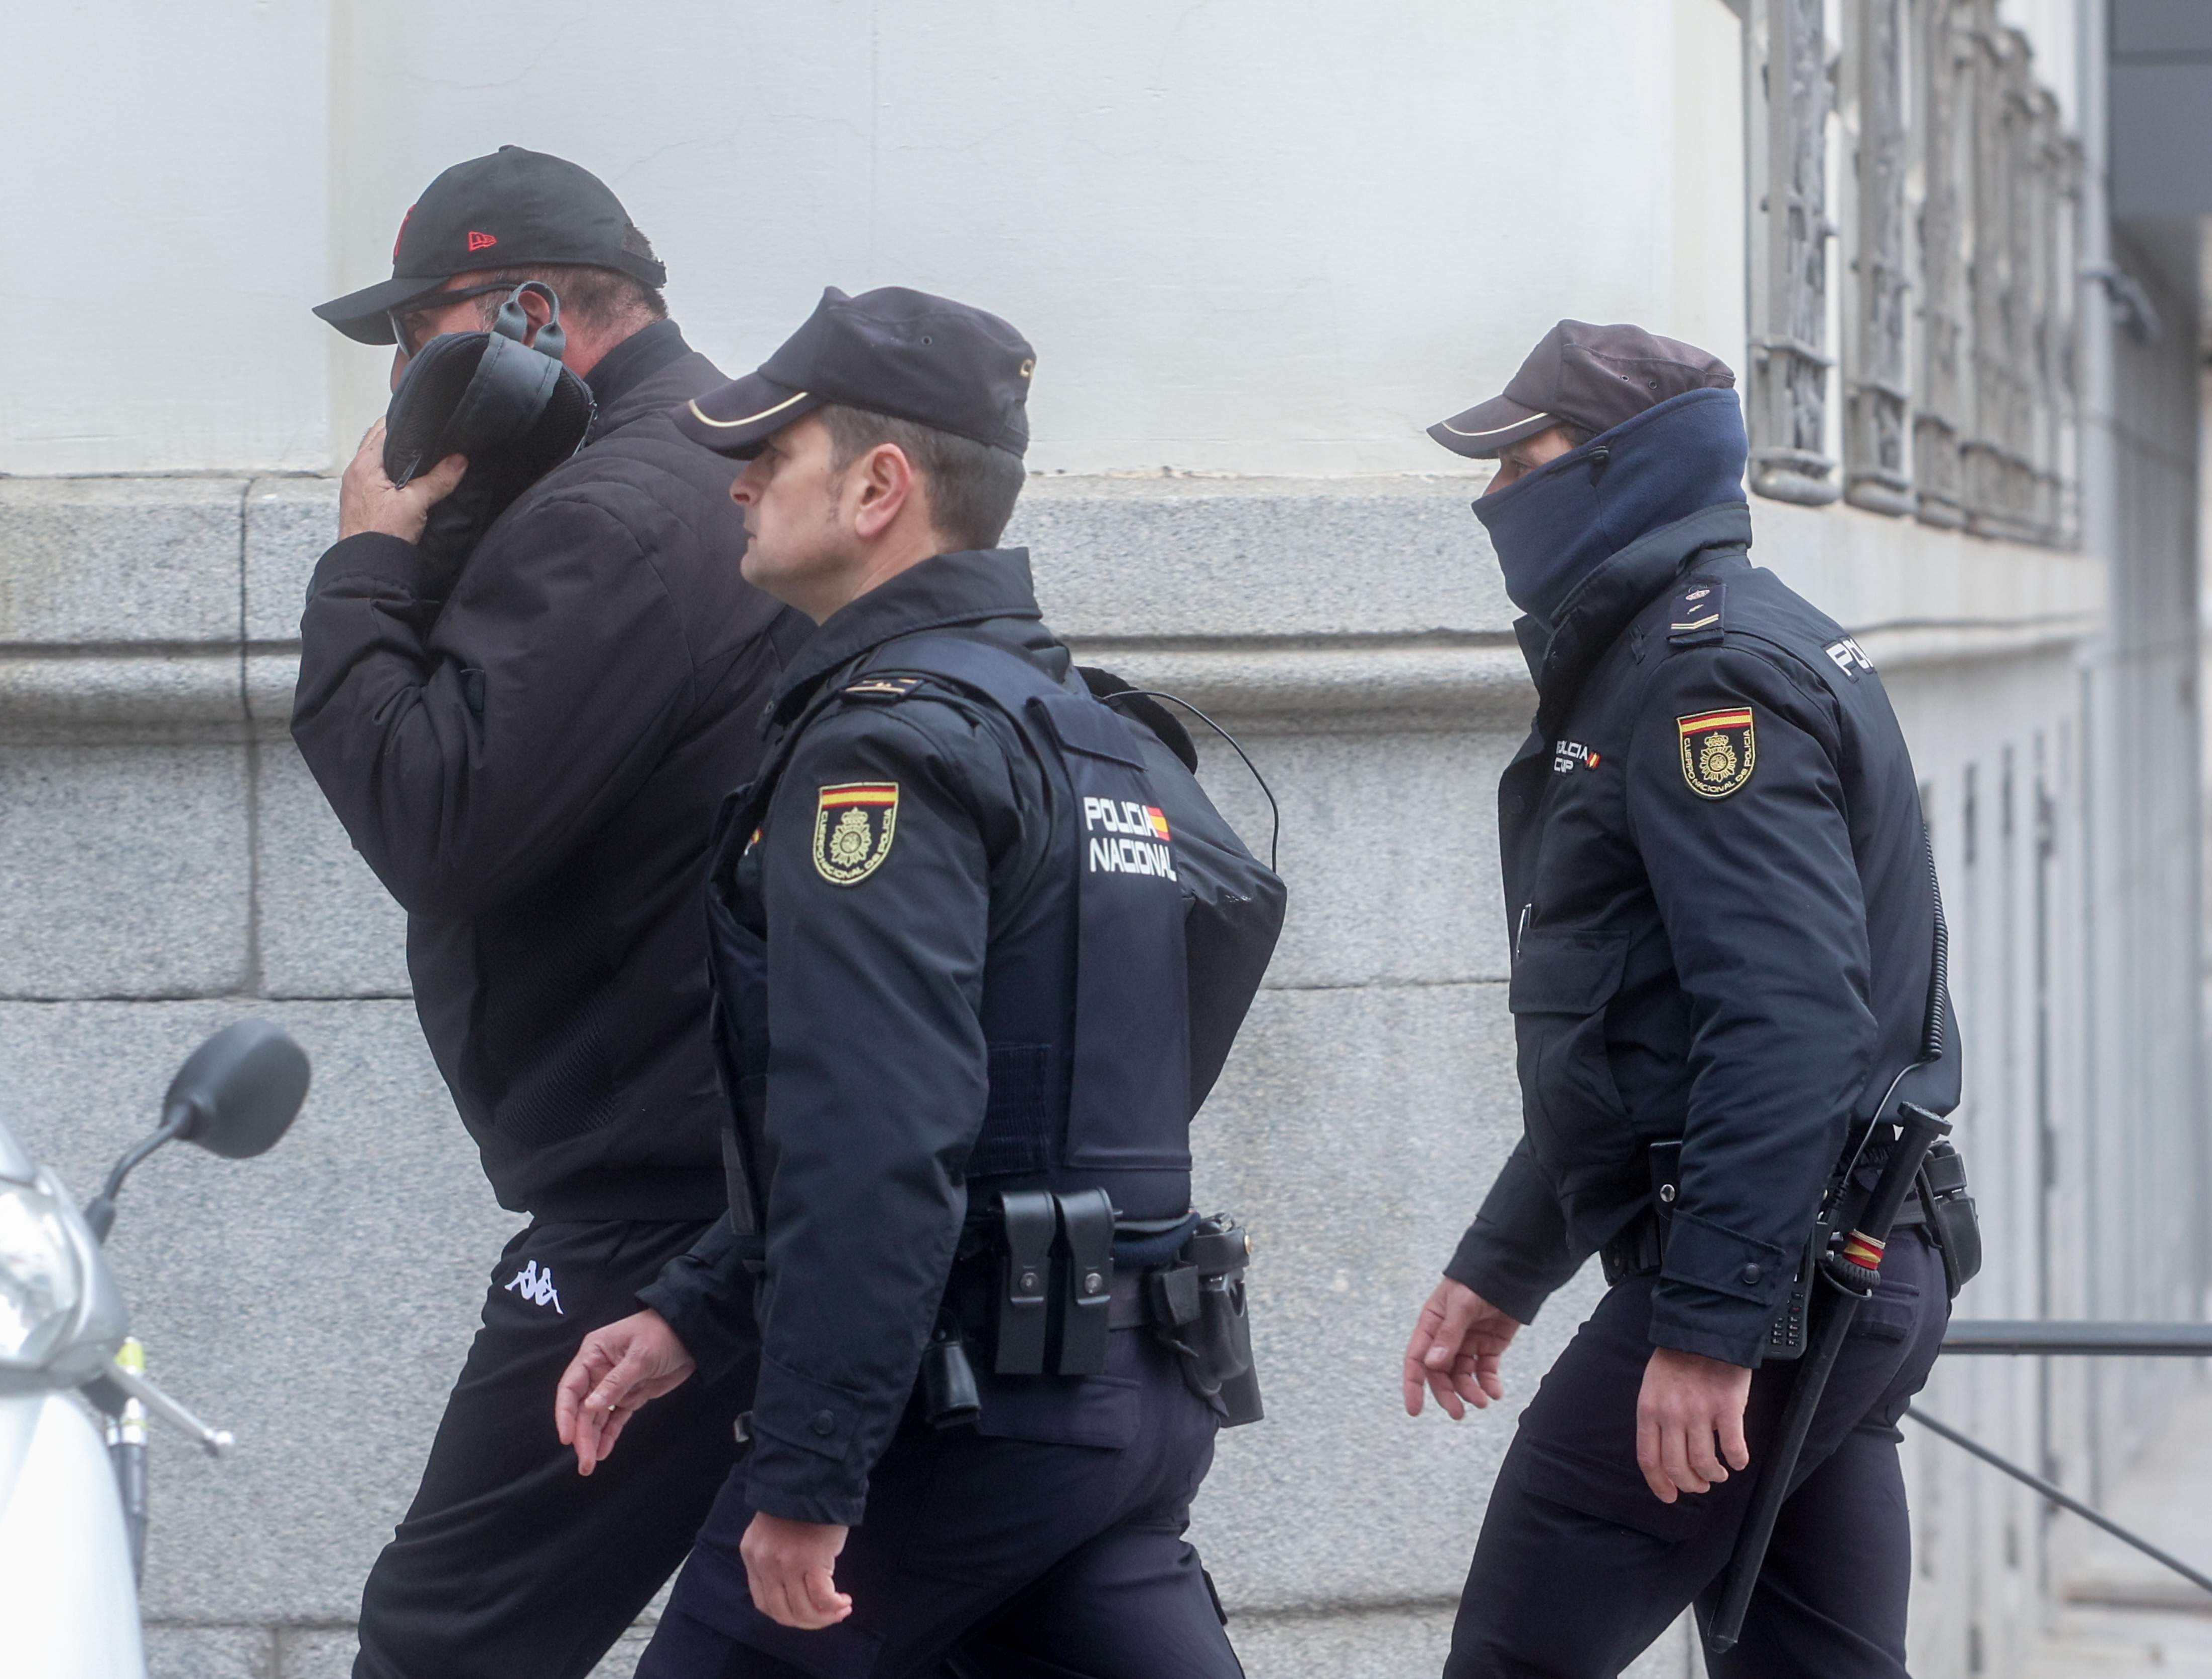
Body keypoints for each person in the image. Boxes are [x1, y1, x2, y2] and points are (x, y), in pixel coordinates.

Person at [549, 285, 1282, 1677]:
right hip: (1128, 1392)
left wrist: (813, 1472)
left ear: (881, 486)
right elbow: (1211, 943)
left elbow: (876, 1131)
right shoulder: (1093, 735)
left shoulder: (882, 754)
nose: (743, 478)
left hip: (962, 1420)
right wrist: (697, 1308)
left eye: (775, 447)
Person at [294, 146, 801, 1679]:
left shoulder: (616, 515)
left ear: (524, 316)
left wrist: (372, 551)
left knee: (448, 1634)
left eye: (415, 335)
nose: (398, 382)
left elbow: (436, 817)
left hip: (657, 1207)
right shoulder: (712, 466)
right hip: (750, 1173)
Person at [1402, 320, 1965, 1676]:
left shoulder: (1707, 678)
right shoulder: (1696, 652)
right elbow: (1638, 1036)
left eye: (1517, 462)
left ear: (1611, 471)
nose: (1490, 500)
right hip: (1844, 1262)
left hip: (1775, 1280)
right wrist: (1508, 1259)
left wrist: (1714, 1331)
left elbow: (1787, 1022)